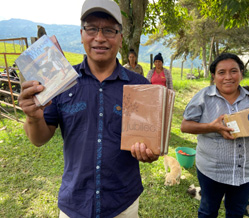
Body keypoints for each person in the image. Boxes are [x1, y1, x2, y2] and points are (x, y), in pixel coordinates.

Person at [18, 0, 159, 217]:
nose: (100, 38)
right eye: (92, 28)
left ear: (120, 38)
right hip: (74, 202)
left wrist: (150, 152)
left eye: (110, 30)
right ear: (82, 34)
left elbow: (150, 143)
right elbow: (38, 139)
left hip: (123, 204)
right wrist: (34, 117)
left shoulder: (140, 86)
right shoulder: (59, 83)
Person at [180, 53, 249, 218]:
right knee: (208, 212)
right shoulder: (203, 97)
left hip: (246, 171)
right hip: (212, 171)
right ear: (214, 76)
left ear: (241, 74)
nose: (228, 77)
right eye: (221, 72)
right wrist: (212, 127)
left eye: (233, 71)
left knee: (236, 213)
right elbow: (185, 126)